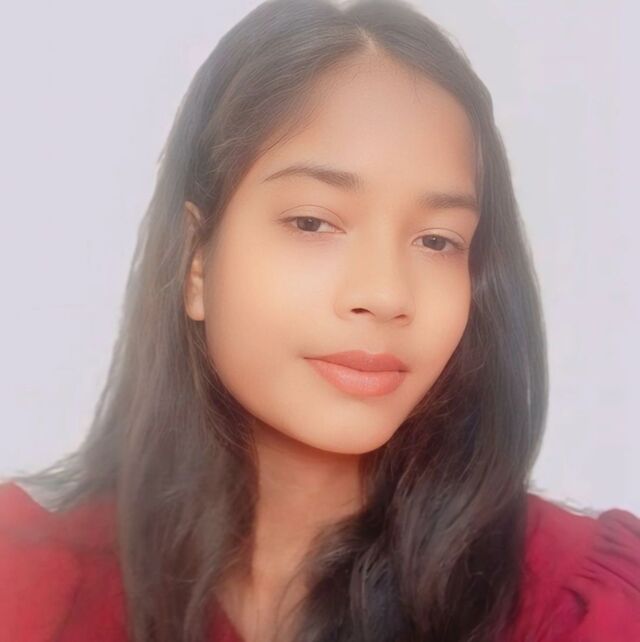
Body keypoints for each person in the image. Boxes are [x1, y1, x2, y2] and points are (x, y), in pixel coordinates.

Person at [0, 0, 638, 641]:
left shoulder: (583, 607)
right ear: (196, 262)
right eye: (312, 222)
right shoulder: (28, 586)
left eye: (437, 240)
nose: (385, 294)